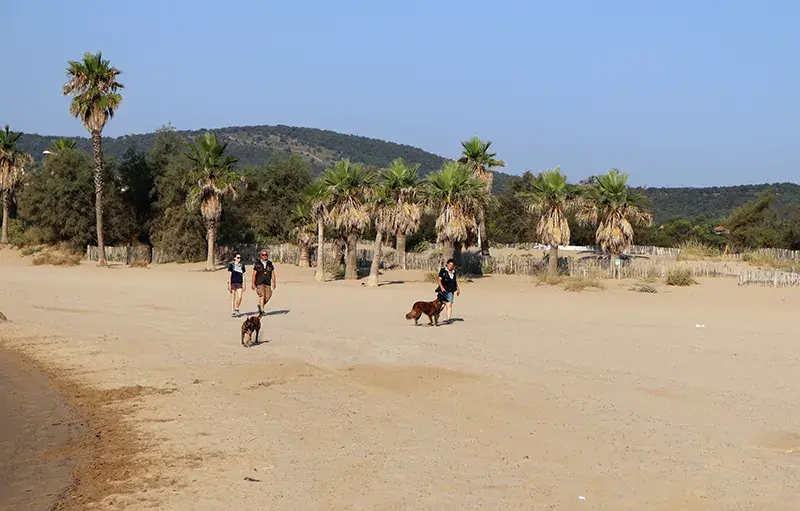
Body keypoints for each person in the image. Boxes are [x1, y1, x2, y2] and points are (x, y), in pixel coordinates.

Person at [252, 249, 276, 316]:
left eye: (266, 255)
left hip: (267, 282)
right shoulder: (257, 264)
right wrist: (253, 283)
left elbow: (273, 273)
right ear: (261, 256)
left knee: (268, 296)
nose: (264, 256)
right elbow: (254, 274)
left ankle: (260, 305)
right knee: (262, 295)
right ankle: (262, 311)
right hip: (259, 282)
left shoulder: (270, 264)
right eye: (263, 255)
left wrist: (274, 282)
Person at [438, 258, 460, 324]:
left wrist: (458, 289)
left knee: (449, 304)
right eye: (449, 265)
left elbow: (455, 281)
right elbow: (439, 280)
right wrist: (441, 287)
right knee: (441, 305)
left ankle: (448, 319)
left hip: (451, 290)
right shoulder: (443, 271)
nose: (451, 266)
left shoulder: (454, 272)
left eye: (452, 265)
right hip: (443, 290)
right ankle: (436, 317)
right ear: (447, 264)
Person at [227, 252, 246, 317]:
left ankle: (237, 308)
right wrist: (229, 284)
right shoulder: (231, 265)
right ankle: (233, 312)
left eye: (240, 257)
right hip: (233, 283)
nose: (239, 259)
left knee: (240, 297)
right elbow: (230, 275)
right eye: (238, 257)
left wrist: (244, 283)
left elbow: (243, 275)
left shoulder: (242, 265)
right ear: (235, 258)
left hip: (239, 283)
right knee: (233, 297)